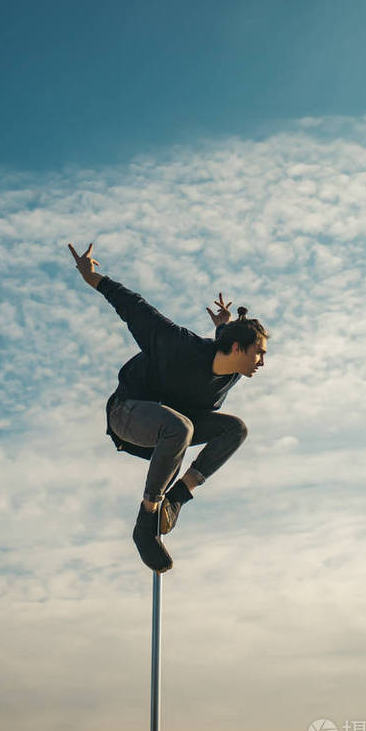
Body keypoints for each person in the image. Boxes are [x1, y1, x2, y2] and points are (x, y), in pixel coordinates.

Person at [68, 242, 268, 573]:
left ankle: (177, 498)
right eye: (258, 353)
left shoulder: (233, 371)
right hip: (128, 413)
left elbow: (221, 348)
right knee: (182, 427)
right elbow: (135, 307)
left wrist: (225, 324)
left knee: (235, 428)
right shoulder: (178, 345)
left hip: (169, 431)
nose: (261, 362)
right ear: (237, 348)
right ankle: (146, 519)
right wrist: (93, 278)